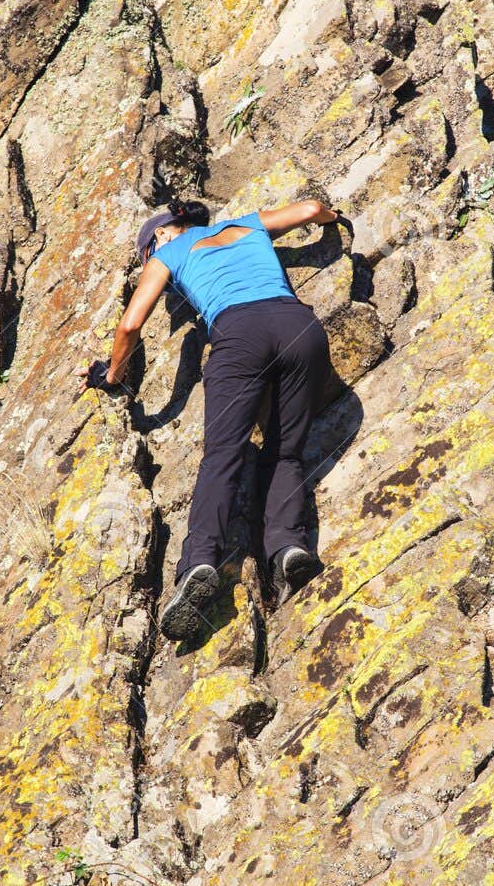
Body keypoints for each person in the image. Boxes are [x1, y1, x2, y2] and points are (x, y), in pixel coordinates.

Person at [79, 195, 351, 640]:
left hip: (240, 335)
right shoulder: (248, 225)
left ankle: (199, 562)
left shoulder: (168, 252)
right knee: (286, 452)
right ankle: (288, 546)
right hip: (300, 329)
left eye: (145, 253)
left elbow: (129, 326)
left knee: (223, 455)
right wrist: (333, 218)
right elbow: (308, 210)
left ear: (161, 234)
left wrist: (110, 375)